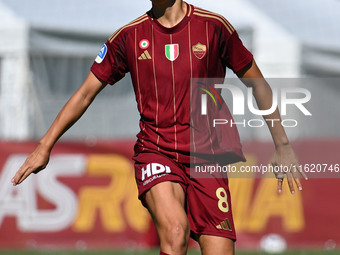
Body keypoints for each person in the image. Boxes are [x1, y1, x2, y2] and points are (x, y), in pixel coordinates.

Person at [12, 1, 307, 254]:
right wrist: (44, 146)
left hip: (208, 157)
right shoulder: (128, 36)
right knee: (176, 233)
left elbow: (258, 84)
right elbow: (85, 93)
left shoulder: (214, 27)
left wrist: (282, 145)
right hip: (157, 151)